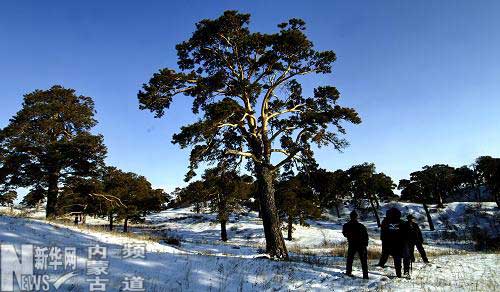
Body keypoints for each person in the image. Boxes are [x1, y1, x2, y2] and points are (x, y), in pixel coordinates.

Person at [381, 207, 411, 278]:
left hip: (394, 244)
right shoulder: (403, 223)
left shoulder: (385, 223)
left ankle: (399, 273)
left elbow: (383, 236)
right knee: (405, 258)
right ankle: (405, 272)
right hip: (401, 244)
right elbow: (408, 234)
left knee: (398, 259)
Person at [342, 210, 369, 279]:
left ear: (350, 217)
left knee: (350, 259)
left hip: (352, 244)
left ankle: (348, 272)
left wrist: (349, 236)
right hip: (361, 245)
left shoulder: (346, 225)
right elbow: (366, 236)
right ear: (356, 217)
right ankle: (365, 276)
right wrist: (365, 244)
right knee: (363, 261)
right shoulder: (361, 226)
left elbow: (344, 234)